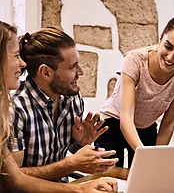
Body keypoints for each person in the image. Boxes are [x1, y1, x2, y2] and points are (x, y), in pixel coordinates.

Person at [0, 21, 117, 193]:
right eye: (72, 67)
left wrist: (81, 143)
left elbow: (64, 154)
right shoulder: (14, 109)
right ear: (46, 72)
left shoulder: (72, 98)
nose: (81, 72)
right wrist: (72, 169)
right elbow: (14, 182)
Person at [96, 13, 174, 167]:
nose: (171, 57)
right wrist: (146, 155)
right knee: (108, 180)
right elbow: (126, 119)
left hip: (146, 127)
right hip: (113, 123)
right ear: (161, 39)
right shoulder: (134, 60)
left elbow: (168, 122)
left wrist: (155, 158)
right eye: (168, 46)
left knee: (145, 179)